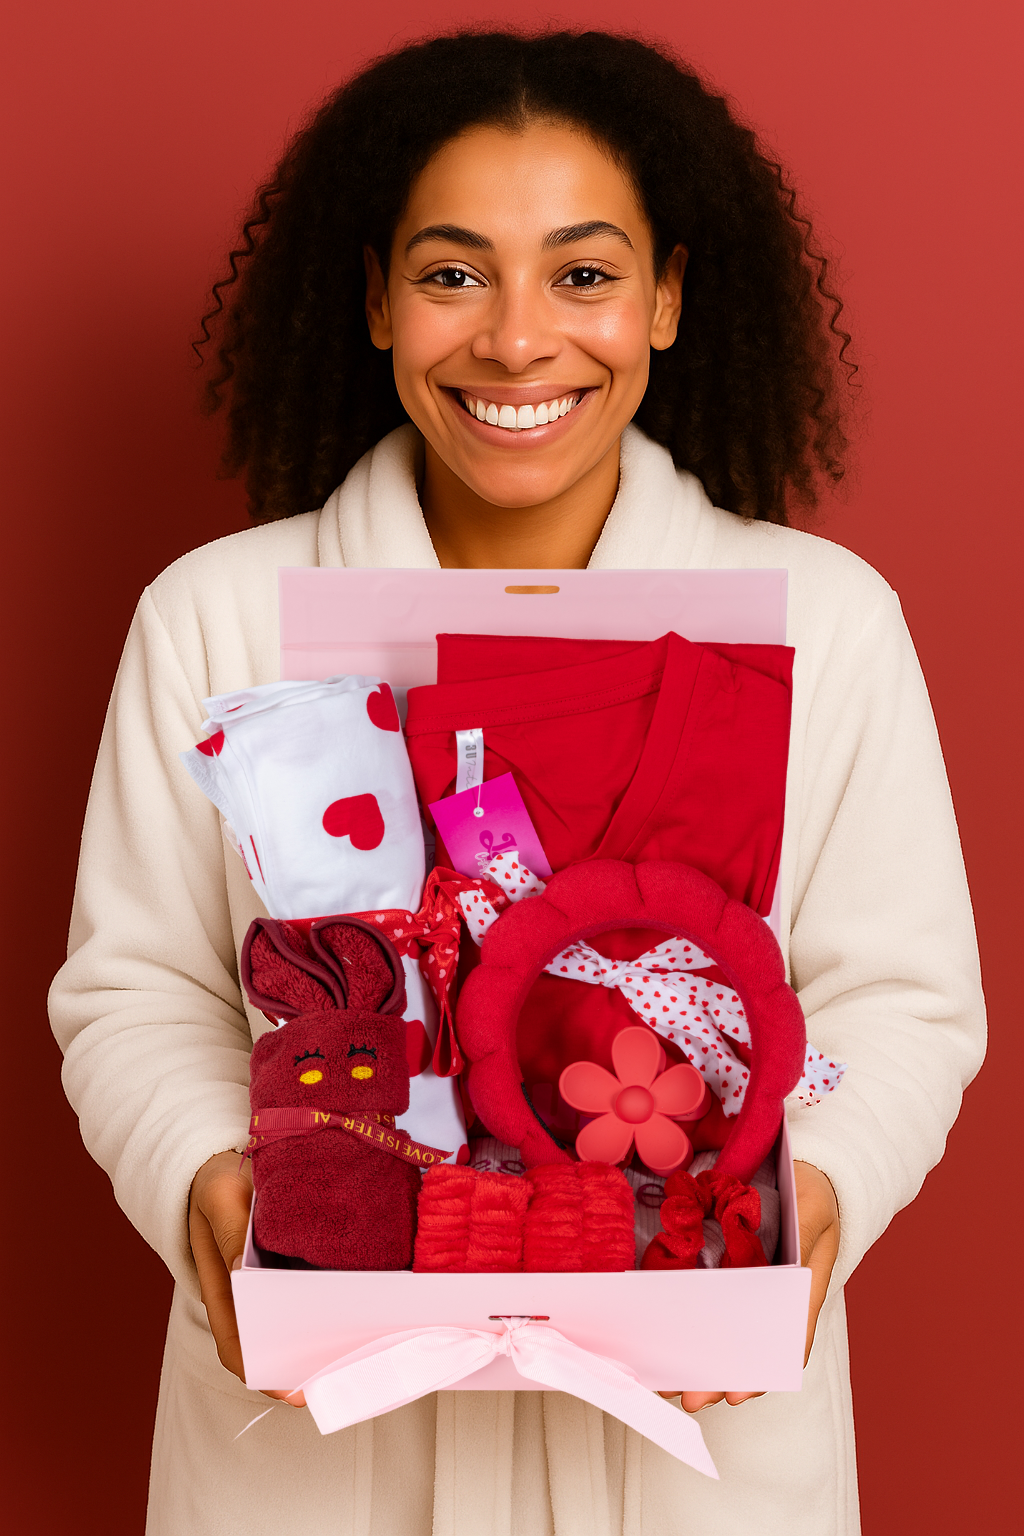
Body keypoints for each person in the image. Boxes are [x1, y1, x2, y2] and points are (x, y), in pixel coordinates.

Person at [49, 28, 985, 1536]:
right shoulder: (217, 616)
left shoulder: (829, 622)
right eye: (454, 274)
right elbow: (137, 987)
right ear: (377, 299)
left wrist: (816, 1192)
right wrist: (208, 1177)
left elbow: (905, 999)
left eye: (584, 273)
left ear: (667, 297)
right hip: (315, 1449)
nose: (517, 340)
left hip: (688, 1452)